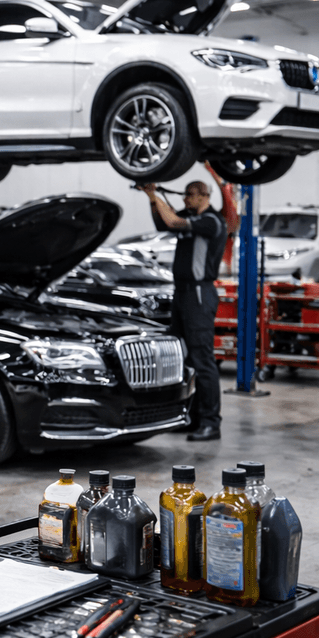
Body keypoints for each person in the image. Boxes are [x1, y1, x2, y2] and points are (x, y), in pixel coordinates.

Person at [140, 178, 227, 442]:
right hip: (183, 294)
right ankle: (194, 418)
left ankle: (211, 423)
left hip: (200, 294)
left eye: (190, 195)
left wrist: (155, 193)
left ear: (203, 195)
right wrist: (151, 198)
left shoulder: (211, 221)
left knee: (203, 360)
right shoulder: (191, 218)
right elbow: (161, 222)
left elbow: (173, 221)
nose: (186, 200)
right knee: (186, 359)